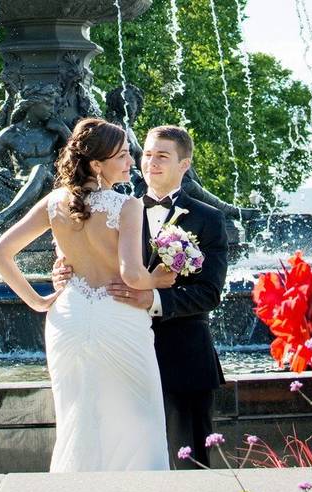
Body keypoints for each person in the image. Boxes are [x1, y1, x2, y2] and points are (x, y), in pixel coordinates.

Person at [0, 118, 176, 472]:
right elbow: (132, 275)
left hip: (68, 317)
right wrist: (163, 278)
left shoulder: (54, 202)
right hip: (118, 316)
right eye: (122, 156)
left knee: (77, 414)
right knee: (140, 416)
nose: (130, 163)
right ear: (96, 164)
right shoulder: (128, 206)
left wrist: (39, 301)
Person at [56, 125, 230, 470]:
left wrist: (151, 300)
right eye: (146, 154)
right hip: (115, 349)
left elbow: (209, 293)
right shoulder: (113, 207)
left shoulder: (209, 219)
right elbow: (80, 255)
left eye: (162, 156)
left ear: (185, 164)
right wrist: (63, 272)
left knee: (190, 467)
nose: (150, 162)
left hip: (182, 358)